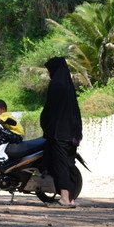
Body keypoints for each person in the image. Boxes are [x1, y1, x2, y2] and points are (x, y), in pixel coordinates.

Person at [40, 57, 83, 208]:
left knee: (60, 165)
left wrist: (46, 124)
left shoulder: (56, 85)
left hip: (59, 133)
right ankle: (70, 199)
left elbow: (50, 110)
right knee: (68, 164)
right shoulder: (68, 86)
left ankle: (64, 199)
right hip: (71, 133)